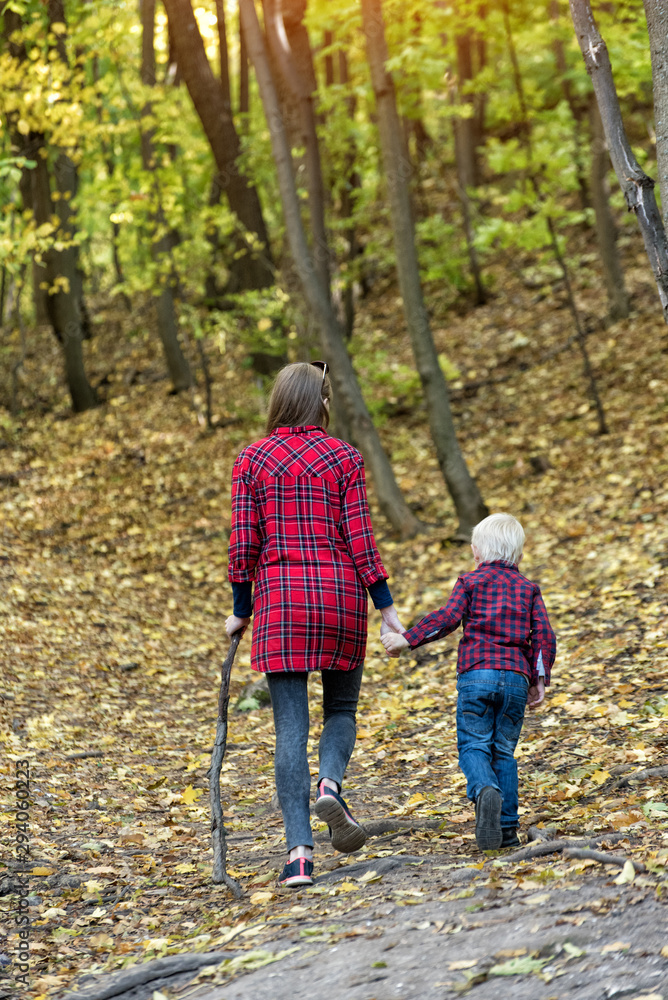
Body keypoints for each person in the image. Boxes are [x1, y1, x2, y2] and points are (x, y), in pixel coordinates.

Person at [226, 361, 404, 887]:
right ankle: (330, 784)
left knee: (289, 728)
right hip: (340, 600)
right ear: (320, 402)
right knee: (342, 707)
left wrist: (241, 609)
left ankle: (299, 857)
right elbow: (361, 540)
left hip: (280, 605)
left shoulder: (251, 461)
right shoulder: (344, 456)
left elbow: (243, 546)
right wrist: (386, 606)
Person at [381, 513, 556, 851]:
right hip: (516, 680)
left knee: (474, 746)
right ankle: (506, 829)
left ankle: (484, 789)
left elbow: (446, 619)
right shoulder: (529, 589)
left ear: (476, 552)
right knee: (503, 751)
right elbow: (544, 637)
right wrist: (540, 678)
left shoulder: (470, 582)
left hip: (476, 675)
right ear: (518, 556)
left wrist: (409, 639)